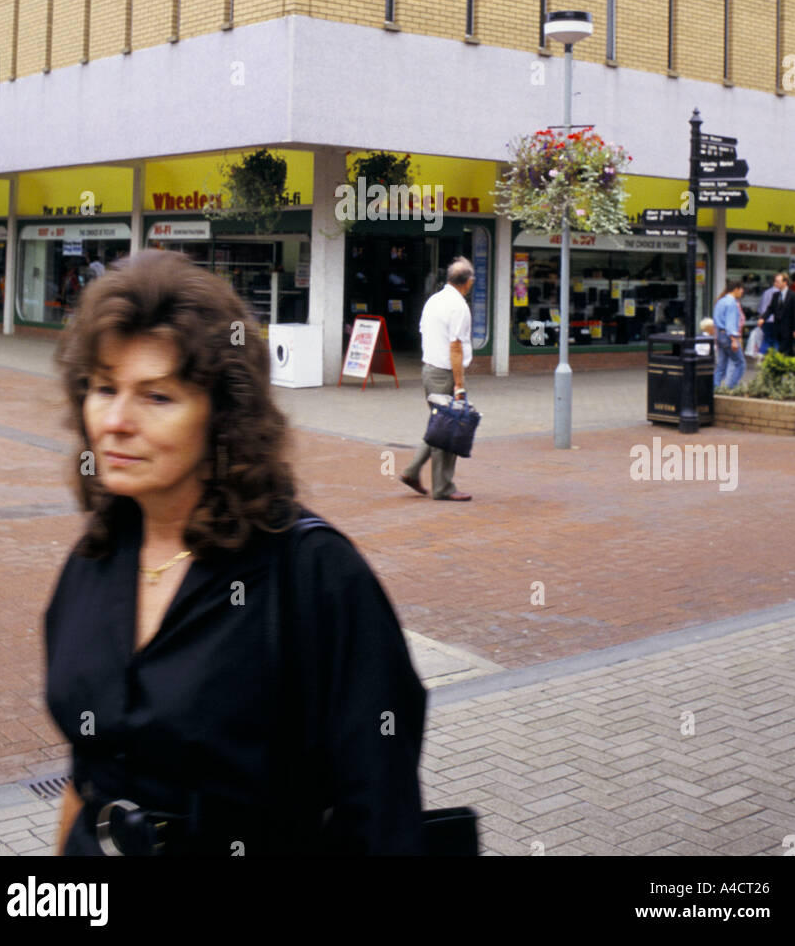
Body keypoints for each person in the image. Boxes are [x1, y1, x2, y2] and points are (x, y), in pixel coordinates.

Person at [45, 249, 426, 856]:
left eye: (157, 396)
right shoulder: (95, 558)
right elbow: (86, 771)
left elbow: (381, 816)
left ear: (222, 418)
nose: (114, 420)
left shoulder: (316, 578)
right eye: (102, 387)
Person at [400, 257, 475, 502]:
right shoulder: (459, 307)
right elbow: (455, 347)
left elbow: (425, 333)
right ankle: (443, 487)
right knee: (450, 427)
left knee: (440, 425)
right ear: (469, 281)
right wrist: (460, 384)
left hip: (429, 369)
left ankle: (412, 471)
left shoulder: (434, 300)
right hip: (444, 373)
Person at [712, 279, 746, 389]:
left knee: (721, 365)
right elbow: (730, 323)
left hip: (720, 335)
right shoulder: (732, 303)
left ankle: (714, 388)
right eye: (741, 289)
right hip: (728, 336)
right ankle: (730, 388)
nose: (742, 292)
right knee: (740, 364)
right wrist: (734, 340)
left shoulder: (720, 301)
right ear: (736, 289)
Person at [756, 272, 784, 355]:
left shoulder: (766, 292)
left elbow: (760, 308)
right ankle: (775, 358)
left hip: (765, 320)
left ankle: (760, 354)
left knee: (767, 339)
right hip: (775, 321)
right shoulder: (780, 294)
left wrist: (761, 318)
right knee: (776, 340)